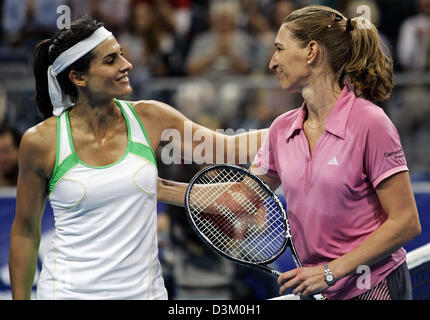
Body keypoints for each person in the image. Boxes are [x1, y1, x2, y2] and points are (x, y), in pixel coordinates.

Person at [8, 16, 266, 300]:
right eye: (110, 60)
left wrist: (300, 124)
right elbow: (26, 231)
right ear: (78, 77)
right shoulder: (41, 141)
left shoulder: (152, 118)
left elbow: (230, 148)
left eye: (121, 54)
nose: (126, 64)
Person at [248, 5, 421, 300]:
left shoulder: (371, 123)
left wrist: (330, 271)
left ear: (311, 51)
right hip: (320, 290)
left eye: (279, 48)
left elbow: (406, 222)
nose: (272, 62)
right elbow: (241, 195)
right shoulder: (281, 128)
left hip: (374, 287)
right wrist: (158, 188)